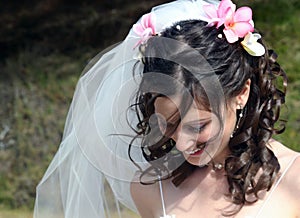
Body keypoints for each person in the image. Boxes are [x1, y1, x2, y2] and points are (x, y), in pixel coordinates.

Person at [34, 0, 300, 217]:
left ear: (241, 94)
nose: (183, 143)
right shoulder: (149, 190)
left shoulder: (294, 179)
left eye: (198, 126)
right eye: (168, 125)